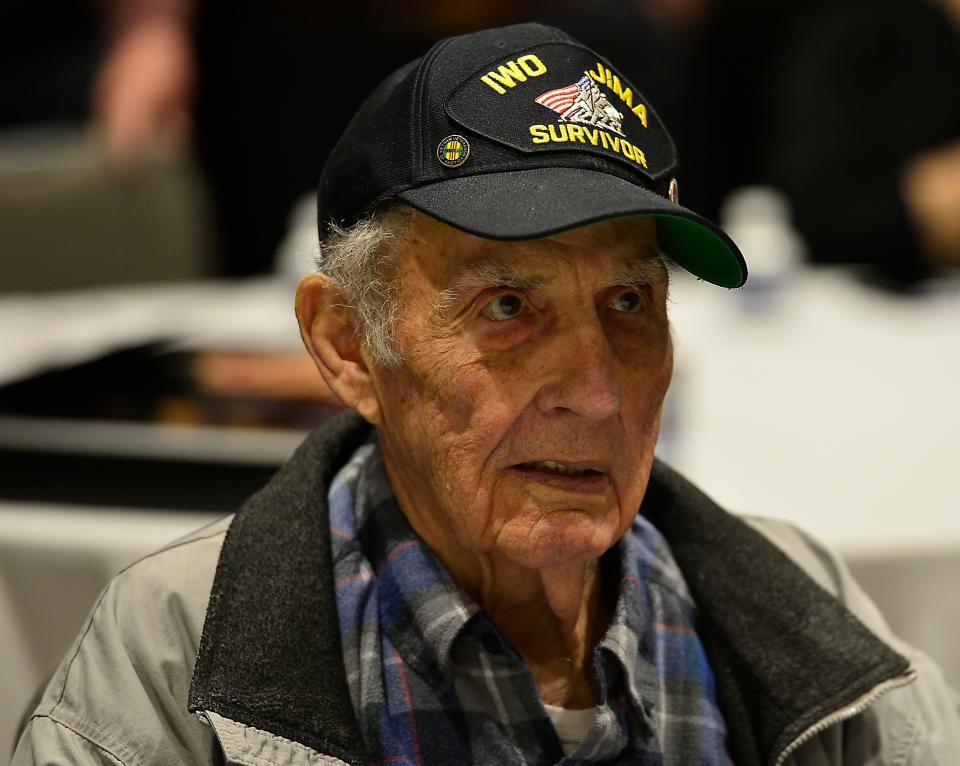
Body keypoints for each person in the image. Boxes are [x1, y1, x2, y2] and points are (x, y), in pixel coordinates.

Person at [13, 22, 960, 766]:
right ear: (348, 346)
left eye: (631, 302)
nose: (595, 393)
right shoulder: (175, 654)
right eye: (508, 306)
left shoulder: (804, 616)